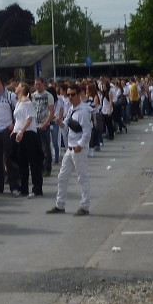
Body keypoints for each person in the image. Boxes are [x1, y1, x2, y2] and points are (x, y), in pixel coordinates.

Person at [47, 86, 92, 216]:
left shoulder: (83, 111)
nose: (70, 98)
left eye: (73, 95)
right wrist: (58, 120)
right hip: (70, 148)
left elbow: (87, 132)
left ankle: (85, 206)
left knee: (82, 177)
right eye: (68, 95)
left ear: (79, 94)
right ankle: (60, 205)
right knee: (62, 176)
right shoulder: (72, 109)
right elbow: (65, 125)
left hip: (78, 148)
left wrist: (80, 145)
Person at [10, 83, 42, 198]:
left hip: (28, 134)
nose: (15, 87)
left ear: (23, 88)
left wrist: (22, 131)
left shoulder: (27, 102)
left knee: (33, 162)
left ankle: (37, 188)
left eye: (17, 86)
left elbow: (29, 119)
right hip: (18, 133)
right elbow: (18, 119)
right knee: (21, 162)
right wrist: (14, 131)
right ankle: (24, 188)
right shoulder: (18, 102)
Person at [31, 78, 55, 176]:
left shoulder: (48, 96)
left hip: (44, 124)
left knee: (46, 147)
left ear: (43, 84)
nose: (37, 86)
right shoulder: (33, 96)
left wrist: (46, 123)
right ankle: (39, 166)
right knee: (37, 148)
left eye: (39, 84)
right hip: (35, 124)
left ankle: (47, 167)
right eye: (36, 84)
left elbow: (52, 112)